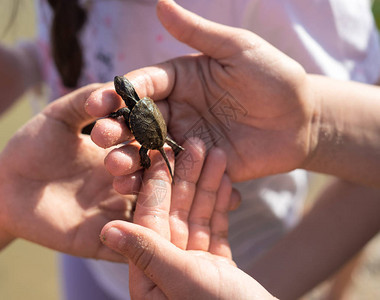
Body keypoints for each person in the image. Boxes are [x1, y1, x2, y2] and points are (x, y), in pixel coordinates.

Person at [2, 0, 379, 298]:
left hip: (241, 260)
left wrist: (311, 122)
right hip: (91, 244)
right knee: (161, 153)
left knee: (163, 155)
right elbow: (63, 45)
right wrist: (27, 62)